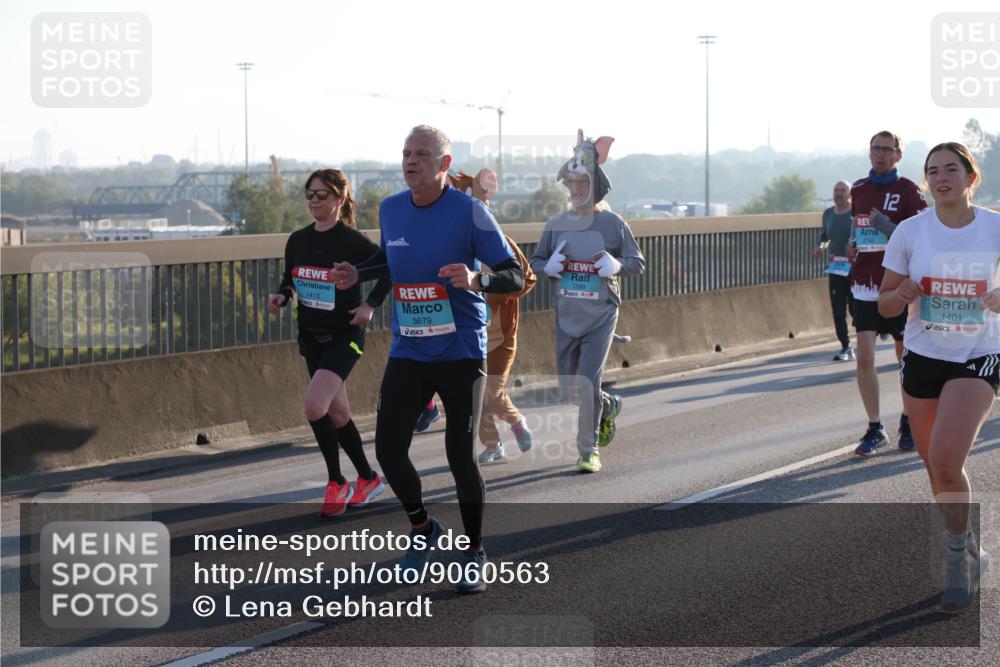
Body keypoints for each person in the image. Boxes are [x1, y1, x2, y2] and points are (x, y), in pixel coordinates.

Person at [333, 126, 524, 593]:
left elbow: (516, 275)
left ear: (444, 164)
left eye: (421, 154)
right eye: (405, 153)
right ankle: (423, 528)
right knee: (388, 450)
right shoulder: (391, 208)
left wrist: (477, 279)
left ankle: (474, 551)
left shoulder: (471, 212)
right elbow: (391, 260)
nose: (410, 161)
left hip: (461, 351)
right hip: (410, 348)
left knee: (460, 456)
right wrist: (357, 273)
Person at [879, 142, 998, 611]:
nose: (941, 177)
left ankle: (955, 562)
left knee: (947, 459)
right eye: (933, 171)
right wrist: (902, 293)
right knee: (937, 469)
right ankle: (970, 547)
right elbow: (885, 303)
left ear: (971, 177)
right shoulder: (911, 232)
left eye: (951, 169)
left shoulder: (994, 227)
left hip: (977, 355)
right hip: (923, 357)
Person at [268, 169, 391, 518]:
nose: (314, 200)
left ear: (339, 198)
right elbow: (290, 278)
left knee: (314, 406)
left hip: (344, 337)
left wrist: (370, 305)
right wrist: (281, 295)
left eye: (322, 194)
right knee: (338, 414)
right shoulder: (298, 240)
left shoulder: (352, 241)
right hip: (311, 338)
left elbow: (389, 268)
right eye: (309, 194)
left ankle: (336, 482)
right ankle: (368, 479)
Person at [529, 131, 646, 474]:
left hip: (601, 314)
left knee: (588, 380)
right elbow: (535, 263)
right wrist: (548, 267)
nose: (577, 188)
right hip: (567, 314)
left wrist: (617, 265)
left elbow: (638, 263)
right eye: (573, 182)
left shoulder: (613, 224)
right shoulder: (556, 224)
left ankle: (588, 449)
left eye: (583, 182)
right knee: (570, 388)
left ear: (596, 186)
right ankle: (607, 406)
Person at [444, 169, 539, 463]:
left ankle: (516, 421)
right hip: (470, 333)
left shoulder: (501, 242)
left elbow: (527, 279)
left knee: (493, 393)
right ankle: (492, 444)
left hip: (501, 336)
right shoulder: (452, 243)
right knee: (476, 392)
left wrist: (495, 295)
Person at [849, 131, 927, 455]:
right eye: (875, 149)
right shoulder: (858, 189)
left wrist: (886, 227)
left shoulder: (909, 190)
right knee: (865, 356)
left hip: (897, 285)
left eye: (886, 149)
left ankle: (908, 420)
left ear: (898, 155)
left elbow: (920, 238)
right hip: (864, 283)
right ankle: (874, 427)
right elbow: (857, 227)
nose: (880, 154)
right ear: (869, 153)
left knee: (903, 357)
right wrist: (852, 244)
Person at [813, 180, 855, 361]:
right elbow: (825, 237)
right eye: (836, 190)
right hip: (836, 269)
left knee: (855, 310)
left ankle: (869, 336)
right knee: (838, 310)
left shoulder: (856, 213)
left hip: (855, 270)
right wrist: (820, 247)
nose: (839, 194)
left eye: (843, 190)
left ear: (850, 193)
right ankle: (846, 347)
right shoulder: (828, 214)